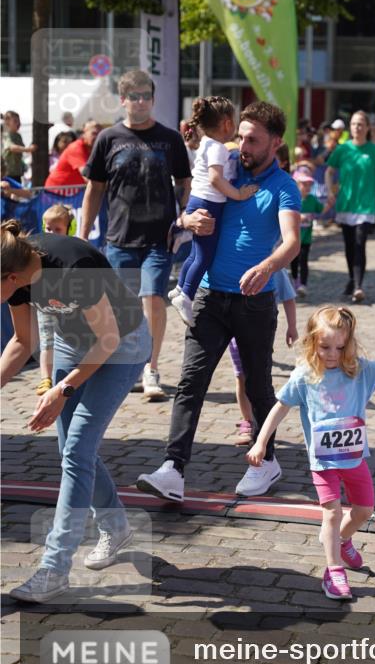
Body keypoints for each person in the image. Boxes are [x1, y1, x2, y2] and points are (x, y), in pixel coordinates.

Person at [136, 101, 301, 500]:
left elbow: (292, 242)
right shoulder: (224, 163)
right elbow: (191, 206)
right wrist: (184, 221)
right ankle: (172, 468)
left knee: (259, 385)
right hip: (209, 297)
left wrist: (268, 266)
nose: (243, 145)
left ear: (275, 143)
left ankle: (268, 462)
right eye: (241, 135)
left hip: (254, 302)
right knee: (191, 381)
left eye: (253, 139)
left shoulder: (284, 187)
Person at [1, 219, 150, 602]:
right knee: (73, 452)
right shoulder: (17, 277)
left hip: (120, 347)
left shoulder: (72, 268)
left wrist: (63, 390)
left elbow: (108, 338)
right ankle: (116, 526)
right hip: (72, 343)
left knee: (78, 451)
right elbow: (22, 341)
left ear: (11, 276)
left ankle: (54, 568)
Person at [247, 305, 375, 599]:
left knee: (364, 511)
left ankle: (340, 540)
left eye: (340, 346)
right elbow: (280, 408)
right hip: (323, 462)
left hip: (354, 459)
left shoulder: (360, 371)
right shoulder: (304, 376)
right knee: (332, 512)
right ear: (312, 342)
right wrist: (261, 441)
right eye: (325, 346)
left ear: (349, 343)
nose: (332, 354)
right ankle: (333, 571)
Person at [80, 69, 191, 400]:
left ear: (153, 100)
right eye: (134, 97)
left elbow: (184, 183)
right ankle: (124, 366)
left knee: (154, 300)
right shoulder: (108, 139)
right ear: (123, 100)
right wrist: (83, 235)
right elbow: (93, 190)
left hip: (160, 238)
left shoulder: (170, 139)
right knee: (120, 309)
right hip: (118, 238)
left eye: (146, 96)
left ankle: (151, 369)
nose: (141, 102)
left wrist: (186, 217)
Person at [169, 97, 258, 327]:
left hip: (198, 200)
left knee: (195, 253)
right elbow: (215, 178)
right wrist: (238, 194)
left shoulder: (206, 142)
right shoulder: (217, 147)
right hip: (209, 203)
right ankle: (186, 295)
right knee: (204, 256)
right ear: (227, 123)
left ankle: (180, 288)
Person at [325, 110, 375, 302]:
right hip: (345, 204)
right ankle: (352, 279)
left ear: (367, 127)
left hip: (366, 205)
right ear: (350, 127)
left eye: (361, 124)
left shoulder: (374, 150)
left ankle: (358, 286)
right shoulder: (343, 149)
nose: (357, 127)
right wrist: (330, 192)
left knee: (360, 244)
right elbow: (329, 171)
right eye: (354, 124)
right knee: (348, 246)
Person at [230, 267, 299, 445]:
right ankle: (248, 422)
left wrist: (292, 327)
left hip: (261, 329)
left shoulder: (275, 268)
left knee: (259, 378)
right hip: (233, 328)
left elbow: (288, 297)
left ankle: (264, 426)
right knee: (240, 376)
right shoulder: (233, 260)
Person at [35, 204, 77, 396]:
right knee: (47, 340)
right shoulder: (39, 250)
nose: (51, 233)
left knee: (70, 339)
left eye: (57, 229)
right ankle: (45, 378)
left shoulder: (75, 251)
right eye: (48, 228)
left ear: (70, 229)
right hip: (44, 302)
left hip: (69, 305)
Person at [291, 167, 324, 297]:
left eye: (309, 184)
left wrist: (330, 204)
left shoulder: (312, 199)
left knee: (304, 261)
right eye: (304, 184)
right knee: (294, 262)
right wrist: (299, 217)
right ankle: (295, 282)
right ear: (297, 184)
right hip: (292, 238)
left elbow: (321, 210)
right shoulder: (292, 198)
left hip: (306, 238)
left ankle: (303, 285)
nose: (307, 187)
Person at [45, 120, 101, 190]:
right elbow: (86, 176)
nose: (97, 137)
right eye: (94, 133)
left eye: (100, 134)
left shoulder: (95, 149)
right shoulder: (76, 148)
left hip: (73, 193)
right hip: (56, 193)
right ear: (84, 134)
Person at [2, 111, 36, 182]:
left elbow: (23, 148)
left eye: (18, 120)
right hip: (7, 173)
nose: (18, 123)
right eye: (15, 121)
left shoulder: (18, 136)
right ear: (7, 123)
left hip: (17, 172)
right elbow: (12, 148)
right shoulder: (6, 135)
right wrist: (28, 149)